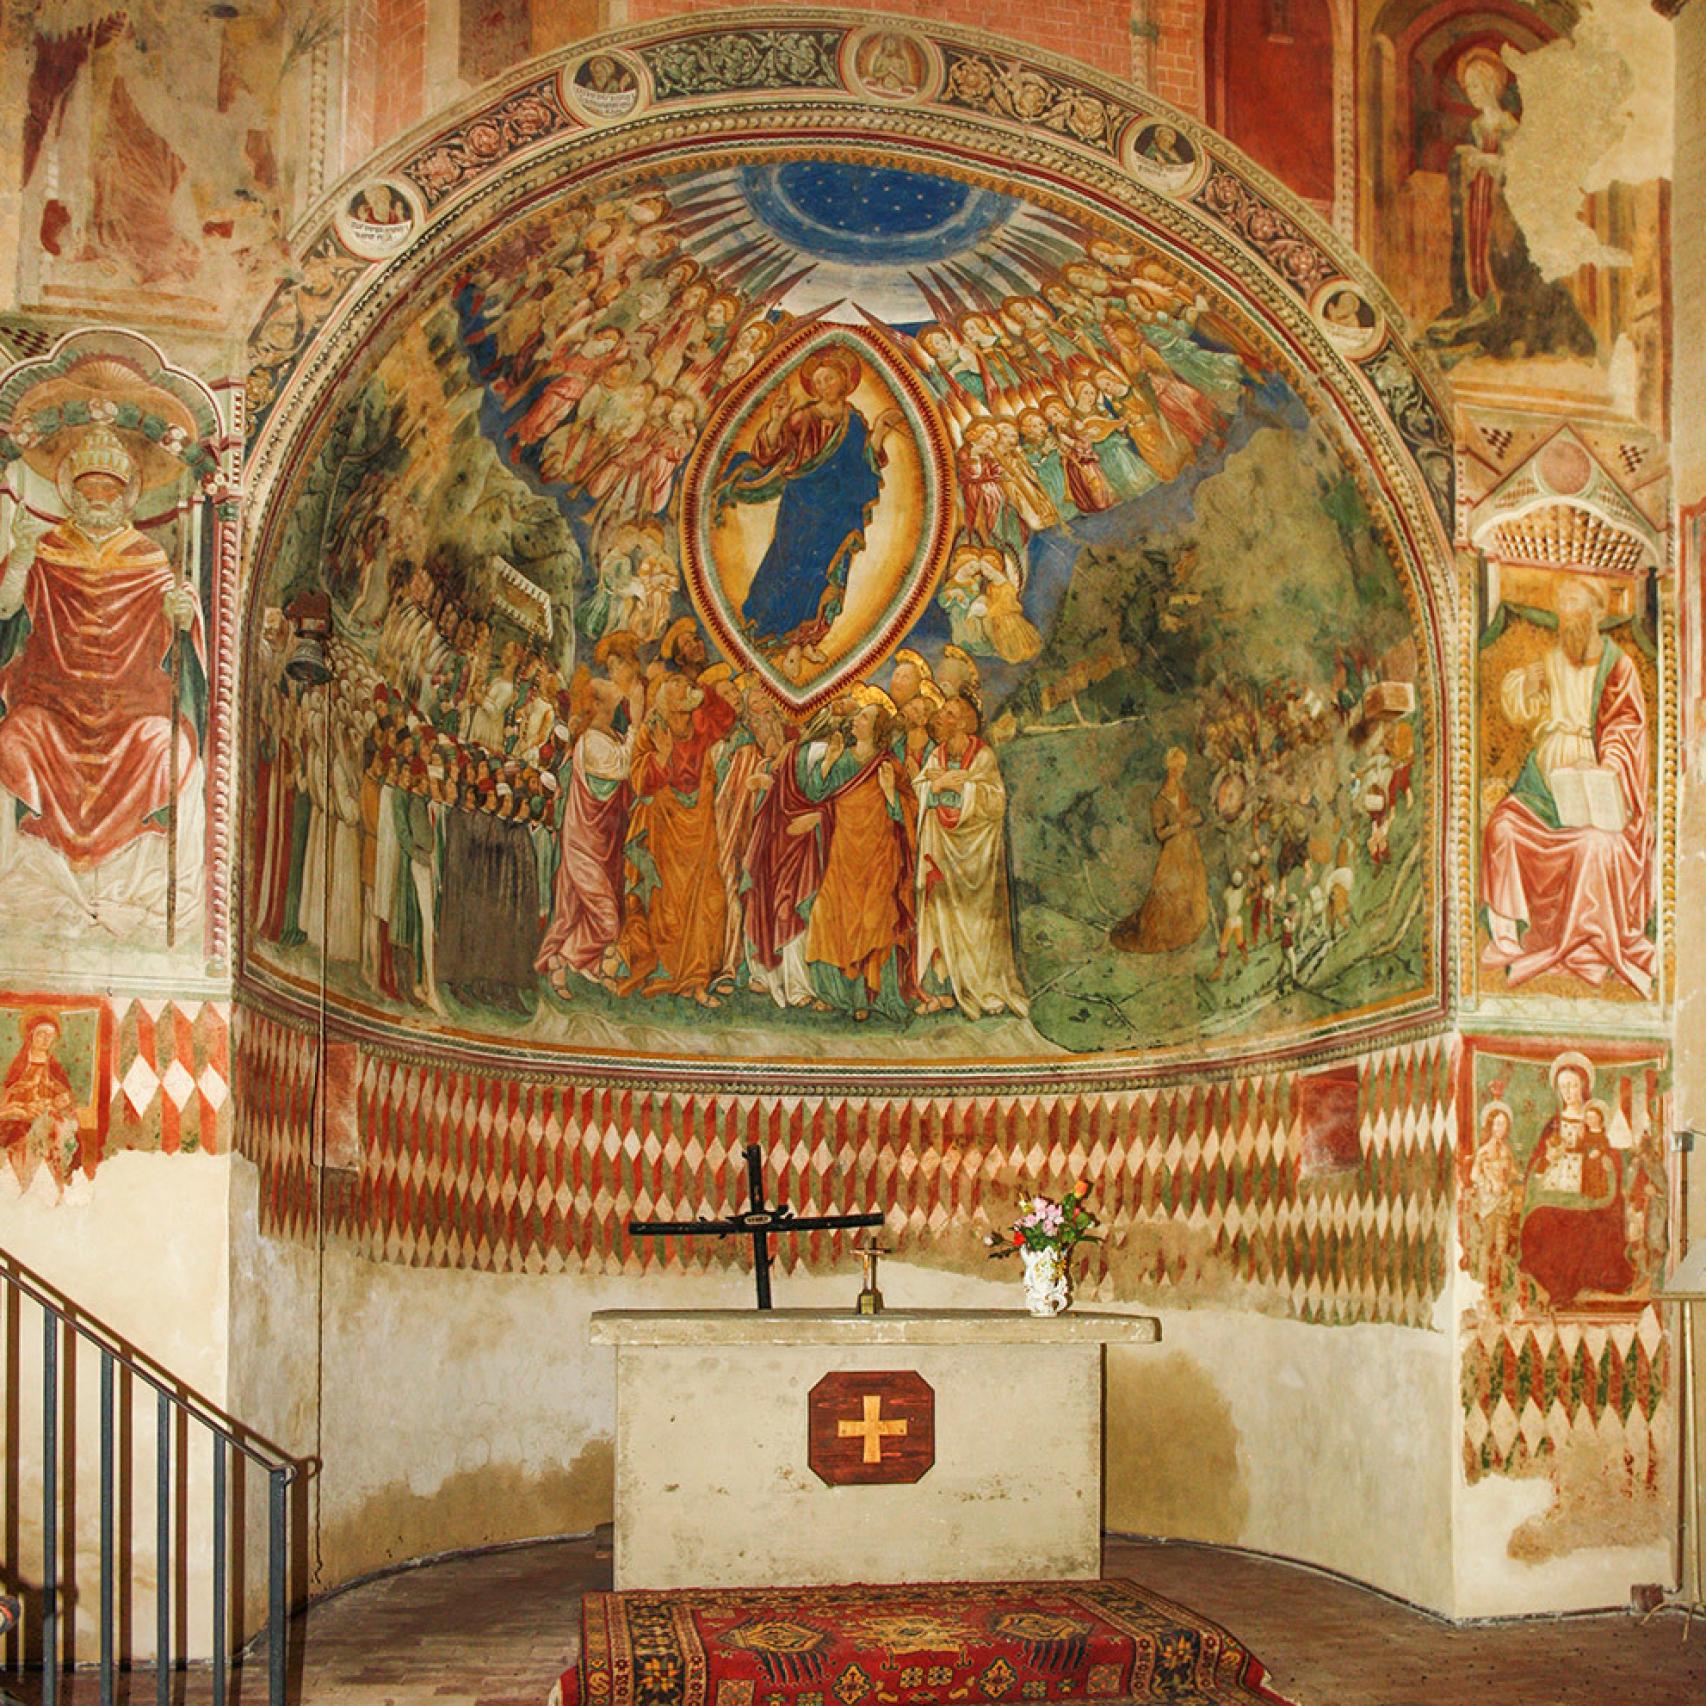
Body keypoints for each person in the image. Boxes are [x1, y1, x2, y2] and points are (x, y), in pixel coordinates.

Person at [0, 427, 204, 934]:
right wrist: (21, 556)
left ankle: (169, 901)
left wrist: (184, 613)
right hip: (53, 708)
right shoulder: (46, 551)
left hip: (130, 715)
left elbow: (182, 628)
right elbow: (5, 607)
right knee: (11, 739)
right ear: (71, 492)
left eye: (109, 490)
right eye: (89, 489)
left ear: (125, 497)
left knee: (173, 749)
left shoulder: (148, 559)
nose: (98, 500)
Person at [1480, 577, 1654, 995]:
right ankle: (1506, 934)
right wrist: (1528, 686)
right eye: (1563, 610)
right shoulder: (1552, 659)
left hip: (1595, 784)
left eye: (1576, 609)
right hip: (1544, 786)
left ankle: (1587, 946)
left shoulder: (1618, 667)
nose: (1568, 620)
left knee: (1596, 845)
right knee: (1501, 827)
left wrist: (1606, 766)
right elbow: (1515, 702)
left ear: (1597, 613)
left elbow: (1628, 725)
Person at [711, 346, 902, 650]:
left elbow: (866, 463)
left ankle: (806, 633)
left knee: (823, 569)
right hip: (801, 504)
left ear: (844, 381)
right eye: (818, 381)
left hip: (836, 512)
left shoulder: (854, 422)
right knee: (787, 561)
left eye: (829, 379)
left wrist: (879, 431)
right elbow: (771, 453)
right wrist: (776, 420)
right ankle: (765, 624)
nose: (823, 385)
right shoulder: (802, 417)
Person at [912, 698, 1027, 1018]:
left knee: (979, 925)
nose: (940, 716)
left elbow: (995, 801)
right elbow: (919, 787)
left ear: (962, 723)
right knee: (941, 917)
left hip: (977, 856)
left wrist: (964, 791)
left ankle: (985, 986)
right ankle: (945, 988)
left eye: (948, 714)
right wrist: (937, 784)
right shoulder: (937, 754)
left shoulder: (983, 757)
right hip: (941, 852)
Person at [1517, 1055, 1632, 1310]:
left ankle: (1573, 1288)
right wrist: (1548, 1157)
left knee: (1594, 1225)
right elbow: (1537, 1166)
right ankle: (1558, 1290)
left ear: (1584, 1085)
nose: (1569, 1092)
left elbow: (1612, 1155)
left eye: (1573, 1085)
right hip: (1555, 1193)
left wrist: (1602, 1161)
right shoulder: (1553, 1124)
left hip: (1589, 1193)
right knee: (1538, 1223)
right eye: (1563, 1086)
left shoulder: (1597, 1120)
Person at [1111, 747, 1209, 954]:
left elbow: (1192, 818)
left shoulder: (1182, 793)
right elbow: (1160, 834)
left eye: (1182, 768)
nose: (1180, 772)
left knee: (1190, 892)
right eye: (1177, 768)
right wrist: (1179, 824)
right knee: (1168, 896)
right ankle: (1168, 934)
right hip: (1173, 853)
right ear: (1169, 768)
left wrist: (1194, 817)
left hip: (1189, 848)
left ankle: (1186, 930)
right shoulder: (1159, 800)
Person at [0, 1012, 80, 1190]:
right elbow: (7, 1094)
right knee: (15, 1131)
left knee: (61, 1133)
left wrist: (60, 1100)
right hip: (20, 1114)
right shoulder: (20, 1064)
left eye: (50, 1036)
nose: (45, 1039)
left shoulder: (54, 1066)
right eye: (41, 1034)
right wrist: (22, 1099)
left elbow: (67, 1097)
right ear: (31, 1036)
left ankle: (55, 1184)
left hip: (47, 1113)